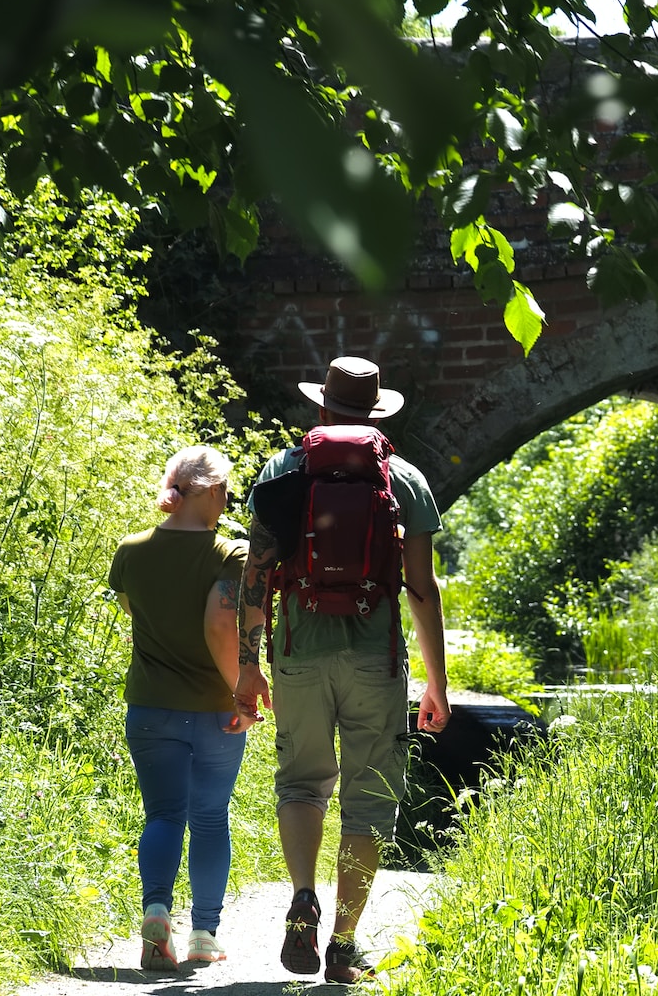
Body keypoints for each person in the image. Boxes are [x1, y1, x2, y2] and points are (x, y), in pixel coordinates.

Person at [233, 356, 450, 985]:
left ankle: (303, 897)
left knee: (301, 784)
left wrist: (248, 666)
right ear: (377, 414)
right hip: (374, 657)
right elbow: (421, 588)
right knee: (369, 800)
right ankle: (344, 944)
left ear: (323, 408)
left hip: (298, 650)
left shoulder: (283, 469)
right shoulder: (403, 478)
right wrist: (436, 682)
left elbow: (256, 573)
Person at [108, 445, 257, 972]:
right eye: (226, 491)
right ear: (212, 491)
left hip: (150, 707)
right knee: (210, 818)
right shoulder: (231, 554)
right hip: (216, 711)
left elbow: (134, 612)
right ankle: (203, 935)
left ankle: (156, 912)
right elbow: (221, 625)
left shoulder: (130, 551)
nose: (227, 501)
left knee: (163, 815)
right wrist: (242, 691)